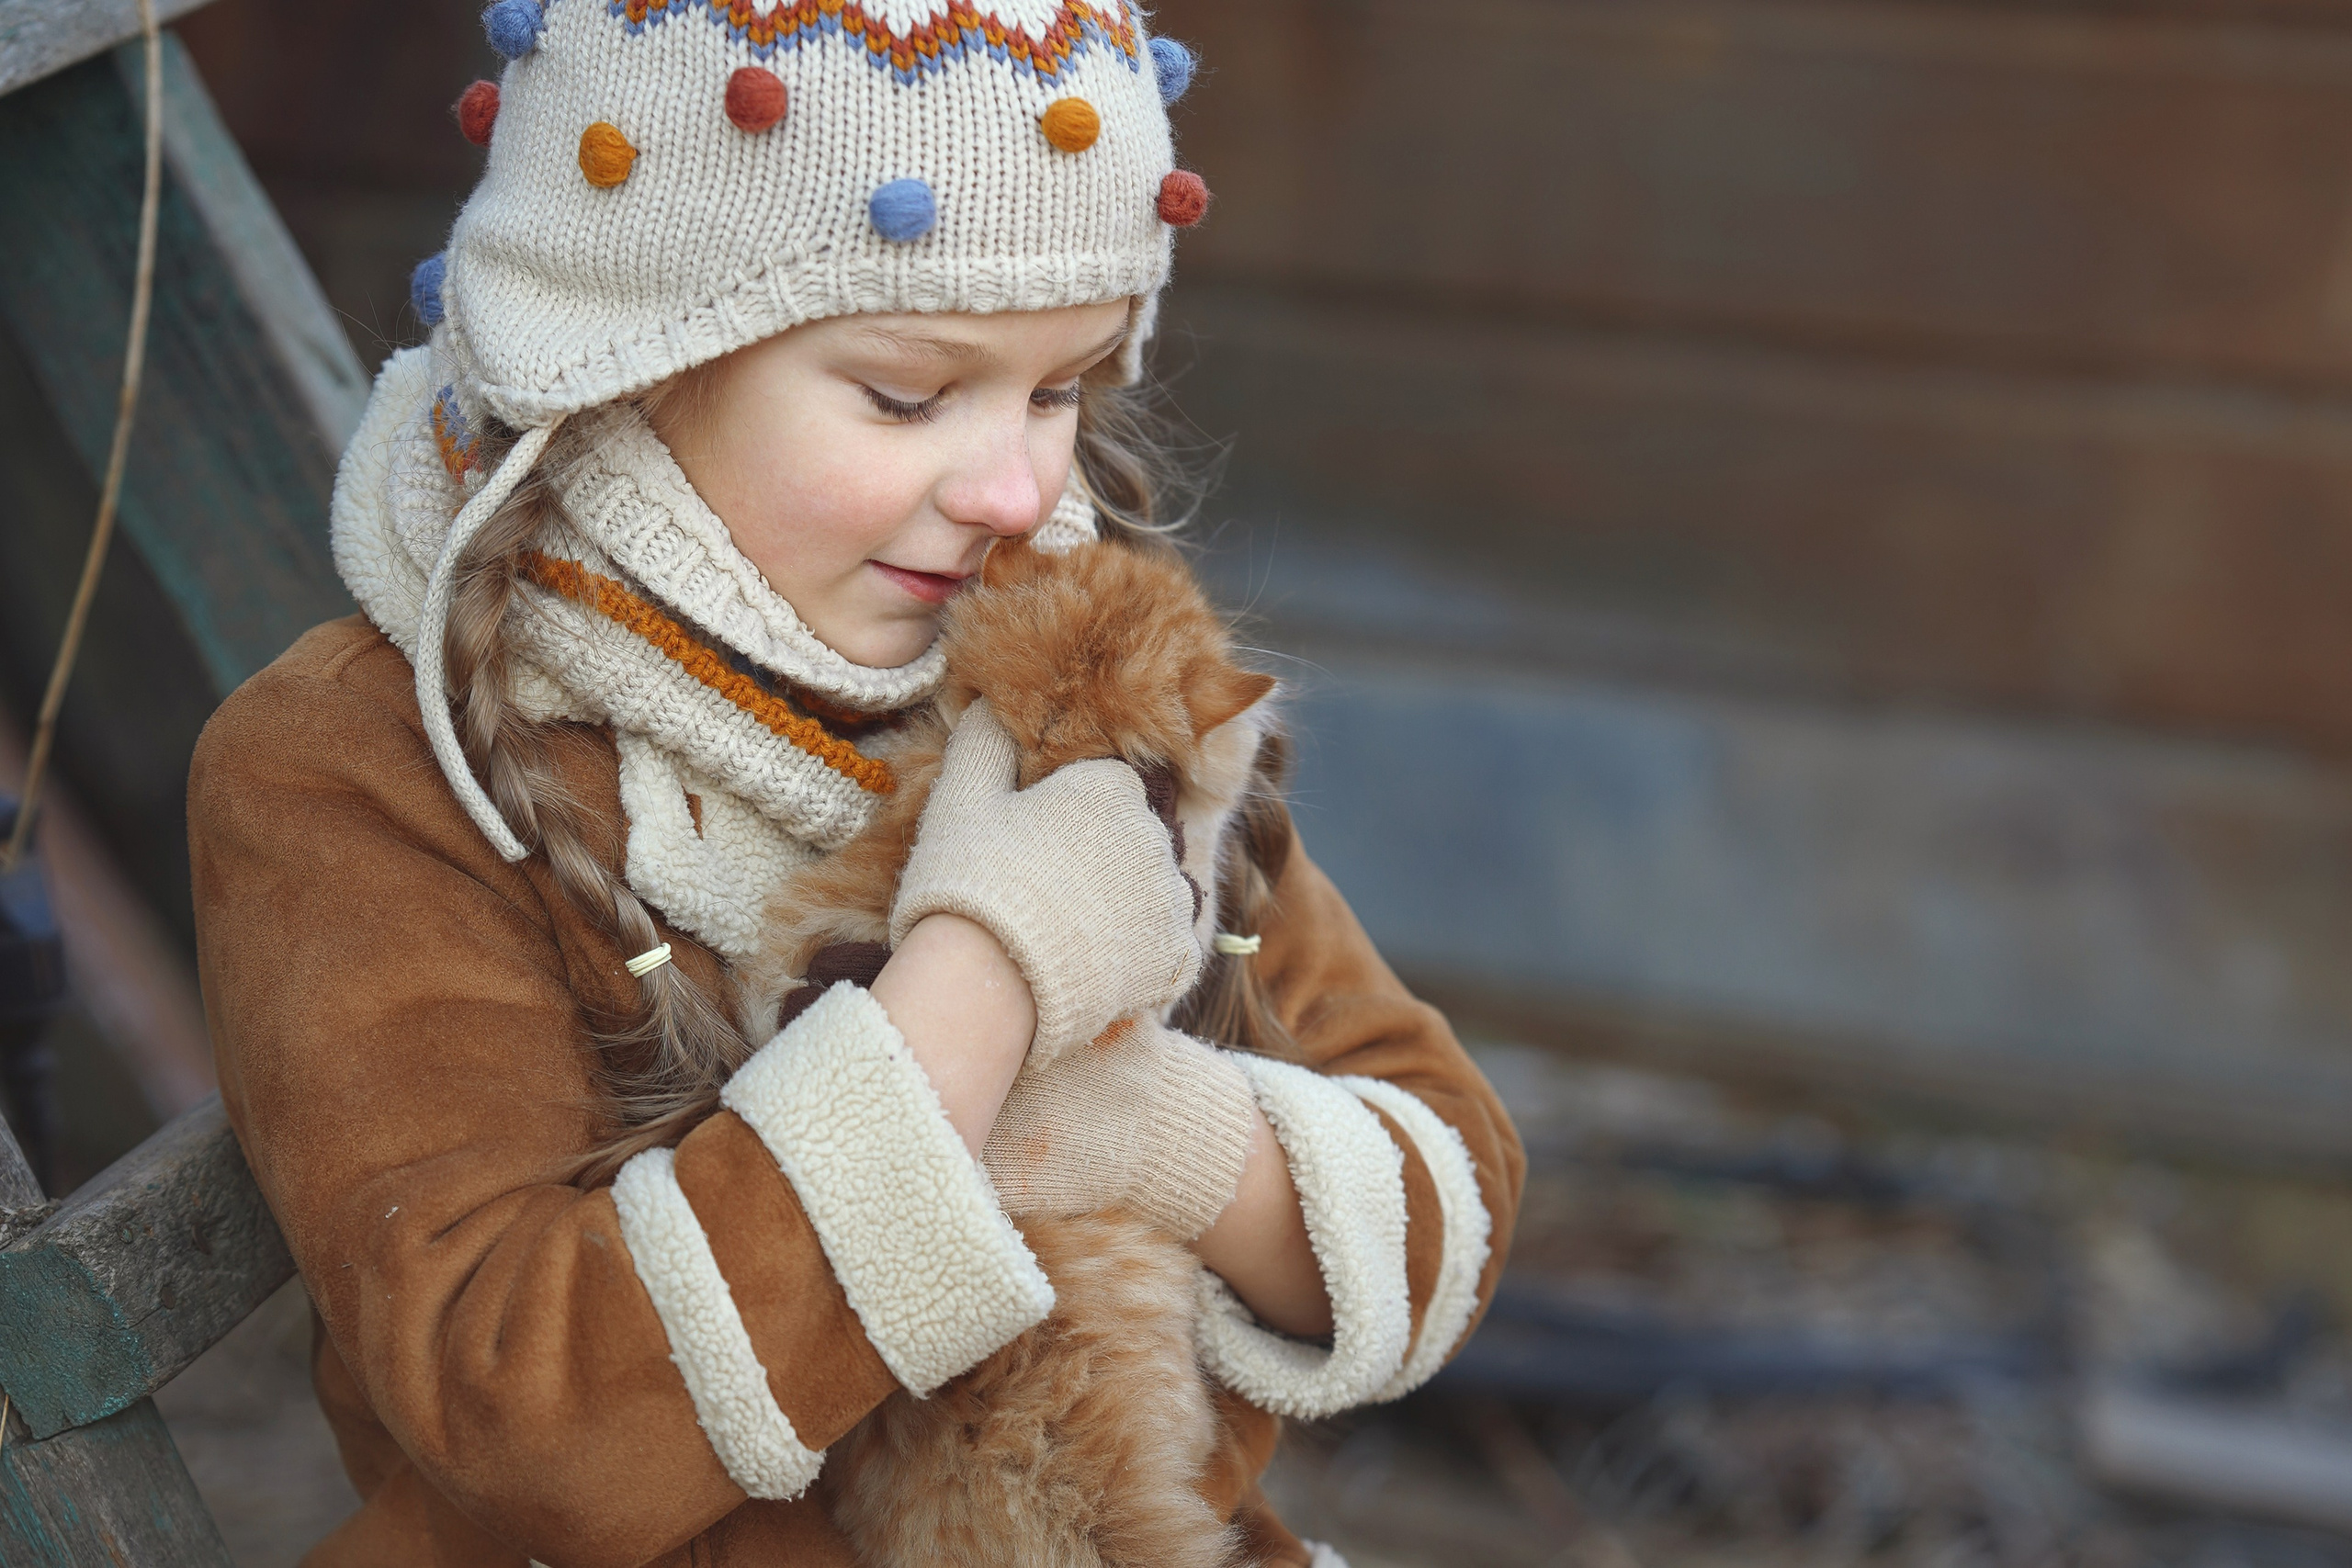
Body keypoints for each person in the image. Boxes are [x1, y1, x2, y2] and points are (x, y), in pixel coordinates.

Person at [187, 4, 1522, 1563]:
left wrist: (1147, 1128)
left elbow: (1454, 1196)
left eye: (1060, 388)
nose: (1018, 491)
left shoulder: (1054, 665)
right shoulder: (361, 771)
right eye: (906, 395)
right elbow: (542, 1434)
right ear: (631, 355)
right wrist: (979, 986)